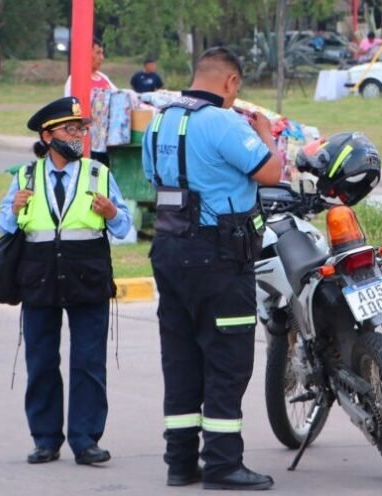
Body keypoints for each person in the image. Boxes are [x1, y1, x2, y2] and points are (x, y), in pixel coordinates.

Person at [141, 46, 282, 490]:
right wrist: (265, 136)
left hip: (168, 250)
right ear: (231, 83)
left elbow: (152, 177)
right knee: (227, 360)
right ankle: (223, 465)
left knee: (181, 358)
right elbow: (271, 173)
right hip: (218, 256)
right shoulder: (224, 122)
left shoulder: (159, 119)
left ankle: (180, 463)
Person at [0, 96, 132, 466]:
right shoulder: (25, 177)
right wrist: (14, 209)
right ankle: (45, 439)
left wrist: (113, 211)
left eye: (81, 129)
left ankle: (86, 440)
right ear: (47, 134)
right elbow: (4, 229)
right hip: (39, 280)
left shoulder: (98, 174)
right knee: (41, 361)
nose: (78, 136)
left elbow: (125, 229)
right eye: (70, 129)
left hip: (87, 279)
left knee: (89, 362)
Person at [64, 37, 116, 165]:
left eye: (102, 53)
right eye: (98, 53)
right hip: (87, 140)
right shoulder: (75, 79)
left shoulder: (104, 78)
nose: (101, 58)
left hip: (105, 141)